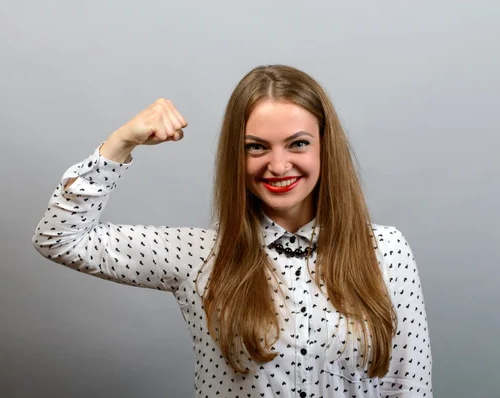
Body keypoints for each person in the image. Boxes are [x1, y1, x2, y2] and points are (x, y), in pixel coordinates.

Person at [32, 64, 432, 397]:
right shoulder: (199, 254)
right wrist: (120, 144)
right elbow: (60, 239)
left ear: (326, 147)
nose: (278, 166)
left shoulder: (386, 249)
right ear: (235, 156)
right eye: (256, 147)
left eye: (297, 144)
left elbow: (409, 385)